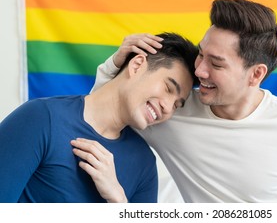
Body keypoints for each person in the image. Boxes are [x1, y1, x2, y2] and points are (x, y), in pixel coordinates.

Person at [92, 0, 277, 203]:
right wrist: (114, 63)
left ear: (255, 74)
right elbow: (103, 109)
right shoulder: (172, 109)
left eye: (216, 63)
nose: (199, 71)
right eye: (201, 54)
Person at [0, 32, 198, 203]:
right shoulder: (42, 118)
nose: (167, 107)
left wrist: (117, 200)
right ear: (137, 65)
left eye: (176, 105)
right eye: (168, 88)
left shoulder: (144, 163)